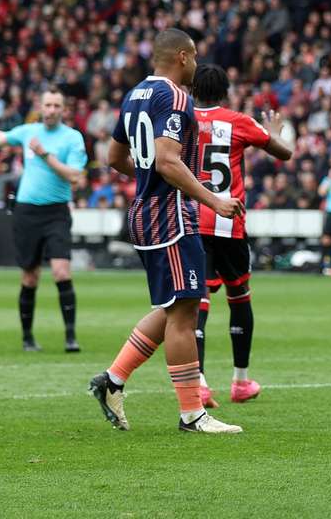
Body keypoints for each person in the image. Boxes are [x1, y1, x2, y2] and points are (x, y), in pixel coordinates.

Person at [88, 29, 244, 434]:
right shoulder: (175, 97)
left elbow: (114, 156)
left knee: (175, 305)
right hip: (170, 215)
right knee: (186, 311)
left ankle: (113, 379)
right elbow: (168, 162)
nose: (195, 63)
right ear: (183, 56)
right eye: (194, 56)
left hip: (147, 211)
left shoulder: (136, 93)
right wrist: (214, 200)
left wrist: (147, 179)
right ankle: (193, 413)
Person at [189, 63, 293, 408]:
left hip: (192, 220)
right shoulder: (238, 121)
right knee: (240, 298)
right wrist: (275, 130)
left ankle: (199, 383)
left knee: (196, 303)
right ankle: (241, 381)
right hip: (229, 223)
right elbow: (283, 153)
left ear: (192, 90)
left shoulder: (182, 118)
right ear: (226, 92)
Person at [0, 88, 87, 352]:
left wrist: (45, 156)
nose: (50, 110)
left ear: (63, 110)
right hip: (27, 212)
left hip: (56, 212)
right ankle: (27, 338)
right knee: (30, 277)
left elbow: (74, 176)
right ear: (41, 106)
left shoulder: (72, 138)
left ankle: (70, 337)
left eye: (56, 106)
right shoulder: (28, 132)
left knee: (62, 271)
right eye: (47, 105)